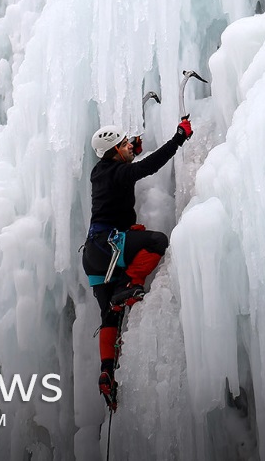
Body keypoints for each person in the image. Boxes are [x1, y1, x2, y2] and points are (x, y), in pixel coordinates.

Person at [82, 118, 193, 410]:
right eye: (125, 144)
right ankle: (131, 284)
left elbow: (124, 166)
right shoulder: (117, 171)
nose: (130, 146)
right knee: (157, 242)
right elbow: (145, 168)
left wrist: (131, 149)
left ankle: (107, 372)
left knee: (110, 315)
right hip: (109, 247)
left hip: (95, 255)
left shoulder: (101, 170)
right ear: (115, 150)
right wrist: (178, 138)